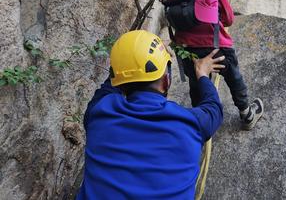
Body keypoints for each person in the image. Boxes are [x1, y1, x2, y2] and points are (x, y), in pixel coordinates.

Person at [76, 30, 225, 199]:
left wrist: (131, 58)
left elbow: (110, 83)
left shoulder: (98, 113)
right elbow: (214, 108)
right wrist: (202, 73)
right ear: (166, 80)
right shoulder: (191, 124)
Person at [175, 0, 264, 130]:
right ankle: (247, 113)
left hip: (185, 48)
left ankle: (200, 119)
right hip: (216, 46)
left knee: (196, 81)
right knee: (233, 76)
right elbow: (229, 18)